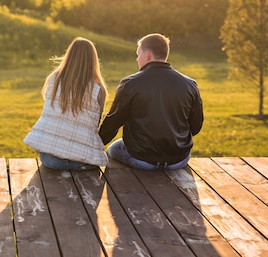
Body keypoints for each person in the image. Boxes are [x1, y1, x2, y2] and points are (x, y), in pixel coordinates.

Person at [99, 33, 204, 170]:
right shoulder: (190, 84)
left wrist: (97, 144)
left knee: (113, 149)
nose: (137, 59)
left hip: (141, 159)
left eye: (138, 54)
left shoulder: (130, 83)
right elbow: (195, 126)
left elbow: (113, 122)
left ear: (147, 54)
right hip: (179, 159)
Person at [23, 37, 108, 170]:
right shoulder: (98, 89)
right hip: (83, 161)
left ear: (68, 55)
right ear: (93, 60)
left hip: (50, 159)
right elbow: (95, 124)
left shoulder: (53, 80)